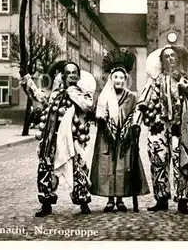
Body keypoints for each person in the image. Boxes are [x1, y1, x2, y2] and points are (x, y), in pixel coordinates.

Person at [20, 61, 96, 217]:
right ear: (63, 76)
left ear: (79, 76)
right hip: (52, 141)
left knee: (78, 171)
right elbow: (40, 97)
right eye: (68, 73)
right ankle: (46, 204)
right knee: (45, 171)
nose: (71, 76)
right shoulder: (55, 94)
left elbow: (87, 106)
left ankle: (83, 202)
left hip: (72, 141)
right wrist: (27, 79)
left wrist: (71, 91)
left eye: (74, 72)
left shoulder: (82, 94)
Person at [133, 45, 188, 214]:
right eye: (166, 57)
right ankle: (161, 198)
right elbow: (142, 102)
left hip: (181, 127)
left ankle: (183, 199)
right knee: (158, 161)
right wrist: (136, 124)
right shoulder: (154, 81)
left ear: (178, 59)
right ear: (161, 62)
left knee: (182, 162)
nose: (170, 59)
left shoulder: (185, 79)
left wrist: (184, 86)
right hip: (158, 127)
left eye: (173, 56)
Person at [90, 49, 150, 213]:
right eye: (115, 77)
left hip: (125, 137)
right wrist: (105, 123)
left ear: (126, 80)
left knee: (122, 167)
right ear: (111, 79)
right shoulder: (104, 97)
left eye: (122, 77)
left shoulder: (131, 97)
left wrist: (132, 126)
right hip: (107, 137)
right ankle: (110, 199)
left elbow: (134, 114)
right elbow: (98, 115)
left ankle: (120, 198)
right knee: (108, 165)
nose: (119, 80)